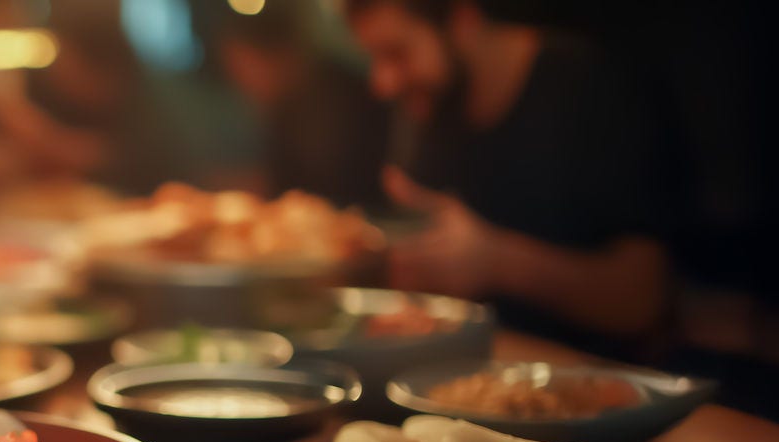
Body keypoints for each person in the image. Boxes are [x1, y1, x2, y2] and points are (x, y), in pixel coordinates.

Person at [344, 0, 672, 359]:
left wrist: (499, 262)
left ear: (463, 19)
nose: (382, 83)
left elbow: (641, 301)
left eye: (397, 53)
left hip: (595, 373)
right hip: (471, 369)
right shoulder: (429, 102)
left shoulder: (585, 85)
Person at [214, 3, 390, 210]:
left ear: (279, 55)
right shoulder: (283, 106)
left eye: (243, 68)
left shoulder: (336, 97)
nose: (241, 83)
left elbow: (331, 189)